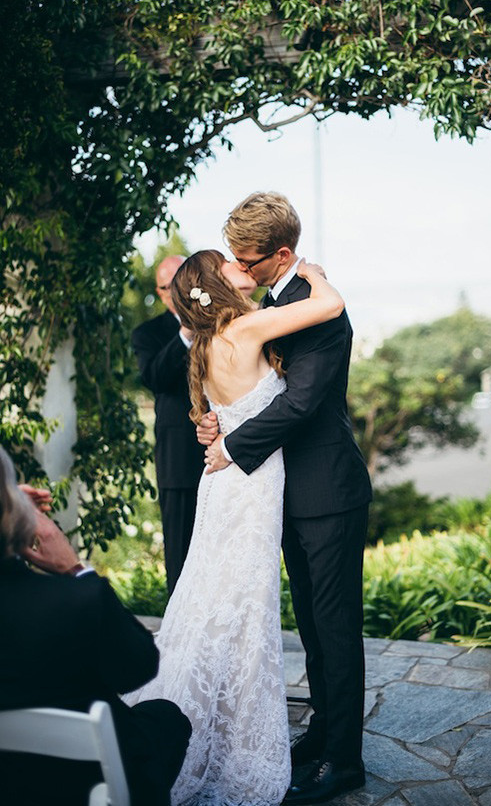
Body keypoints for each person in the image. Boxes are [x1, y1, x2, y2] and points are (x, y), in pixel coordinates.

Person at [125, 249, 345, 806]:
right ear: (216, 284)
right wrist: (314, 274)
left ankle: (200, 723)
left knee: (209, 602)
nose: (235, 267)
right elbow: (331, 305)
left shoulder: (202, 346)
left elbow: (208, 416)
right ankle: (236, 741)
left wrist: (216, 432)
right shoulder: (246, 329)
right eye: (227, 263)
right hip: (250, 486)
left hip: (223, 485)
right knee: (243, 613)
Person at [200, 192, 372, 805]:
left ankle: (344, 762)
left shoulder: (321, 311)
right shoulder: (278, 300)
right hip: (288, 494)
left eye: (248, 260)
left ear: (281, 253)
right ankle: (324, 730)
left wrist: (231, 447)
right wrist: (219, 422)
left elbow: (300, 403)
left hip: (328, 491)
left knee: (335, 627)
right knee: (313, 628)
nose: (240, 271)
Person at [0, 446, 191, 806]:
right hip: (82, 785)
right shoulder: (78, 601)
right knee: (166, 718)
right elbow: (139, 668)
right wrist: (76, 568)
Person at [131, 255, 211, 595]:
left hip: (225, 451)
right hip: (179, 458)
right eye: (171, 285)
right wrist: (185, 332)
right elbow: (154, 377)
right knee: (180, 550)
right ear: (162, 293)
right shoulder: (148, 333)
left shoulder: (218, 321)